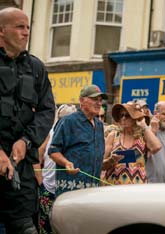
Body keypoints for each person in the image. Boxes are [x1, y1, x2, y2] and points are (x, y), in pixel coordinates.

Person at [0, 7, 55, 234]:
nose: (26, 33)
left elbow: (46, 111)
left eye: (28, 27)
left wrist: (26, 141)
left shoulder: (36, 68)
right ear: (1, 31)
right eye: (19, 27)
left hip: (20, 171)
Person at [48, 85, 106, 196]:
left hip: (93, 190)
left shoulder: (99, 125)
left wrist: (107, 163)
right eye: (94, 99)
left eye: (100, 100)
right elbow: (53, 151)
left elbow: (94, 156)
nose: (99, 103)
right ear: (81, 101)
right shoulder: (68, 121)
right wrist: (66, 163)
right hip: (71, 190)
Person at [37, 104, 76, 234]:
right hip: (48, 188)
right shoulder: (50, 133)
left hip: (66, 190)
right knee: (46, 227)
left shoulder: (75, 135)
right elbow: (37, 156)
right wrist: (40, 182)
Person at [102, 102, 161, 184]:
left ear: (135, 118)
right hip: (113, 187)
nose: (123, 118)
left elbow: (157, 147)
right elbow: (101, 165)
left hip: (137, 189)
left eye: (127, 115)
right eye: (121, 115)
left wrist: (144, 126)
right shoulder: (113, 135)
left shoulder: (143, 136)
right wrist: (111, 161)